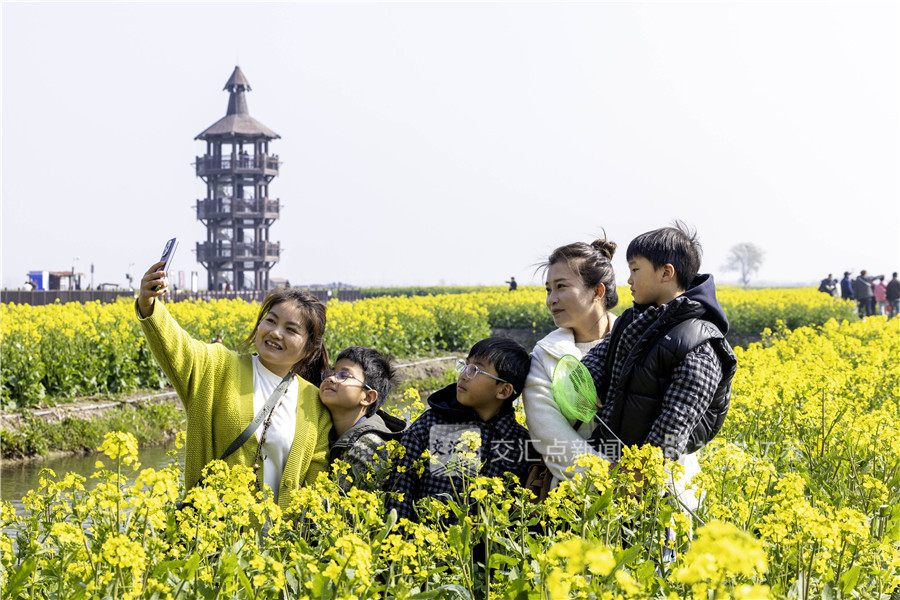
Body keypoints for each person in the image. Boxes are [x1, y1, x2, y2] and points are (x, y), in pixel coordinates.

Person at [136, 261, 332, 511]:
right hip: (214, 531)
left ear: (309, 349)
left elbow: (316, 486)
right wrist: (148, 304)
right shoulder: (218, 366)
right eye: (270, 321)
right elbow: (176, 347)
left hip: (280, 535)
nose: (275, 333)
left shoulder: (315, 403)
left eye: (290, 330)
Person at [580, 223, 737, 512]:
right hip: (612, 455)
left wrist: (640, 472)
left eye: (635, 269)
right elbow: (602, 356)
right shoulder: (634, 320)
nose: (629, 280)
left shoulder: (698, 340)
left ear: (666, 273)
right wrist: (583, 385)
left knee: (651, 537)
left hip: (655, 480)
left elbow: (678, 418)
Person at [385, 337, 531, 523]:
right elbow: (399, 490)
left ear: (503, 391)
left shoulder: (520, 443)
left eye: (475, 370)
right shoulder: (432, 424)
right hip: (426, 540)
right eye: (465, 365)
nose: (463, 375)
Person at [522, 237, 618, 485]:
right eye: (548, 289)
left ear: (597, 292)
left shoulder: (641, 341)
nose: (551, 299)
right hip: (577, 498)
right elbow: (553, 439)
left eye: (561, 287)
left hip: (651, 494)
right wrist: (616, 480)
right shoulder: (544, 355)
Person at [320, 346, 407, 491]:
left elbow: (343, 502)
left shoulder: (369, 446)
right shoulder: (326, 431)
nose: (331, 379)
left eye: (344, 375)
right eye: (331, 372)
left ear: (367, 397)